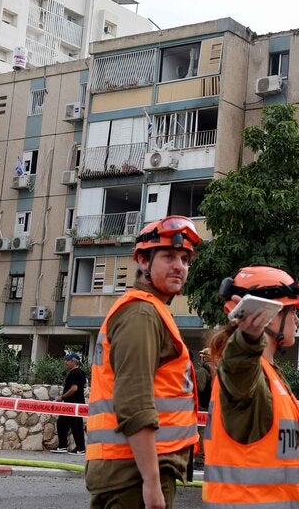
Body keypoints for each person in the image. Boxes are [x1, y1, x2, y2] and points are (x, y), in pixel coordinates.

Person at [85, 216, 202, 509]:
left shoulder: (150, 312)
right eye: (169, 256)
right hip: (134, 474)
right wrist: (151, 482)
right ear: (143, 261)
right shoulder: (141, 314)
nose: (180, 266)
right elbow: (134, 402)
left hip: (131, 468)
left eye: (185, 259)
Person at [202, 266, 299, 508]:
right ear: (269, 315)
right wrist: (248, 340)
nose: (297, 319)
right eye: (292, 310)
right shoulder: (244, 371)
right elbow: (239, 366)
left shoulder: (270, 373)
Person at [52, 353, 87, 455]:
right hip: (69, 405)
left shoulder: (76, 372)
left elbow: (74, 388)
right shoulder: (77, 372)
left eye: (67, 360)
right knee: (62, 423)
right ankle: (62, 446)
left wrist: (62, 397)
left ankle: (81, 448)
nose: (66, 362)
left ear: (74, 361)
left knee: (76, 426)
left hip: (74, 404)